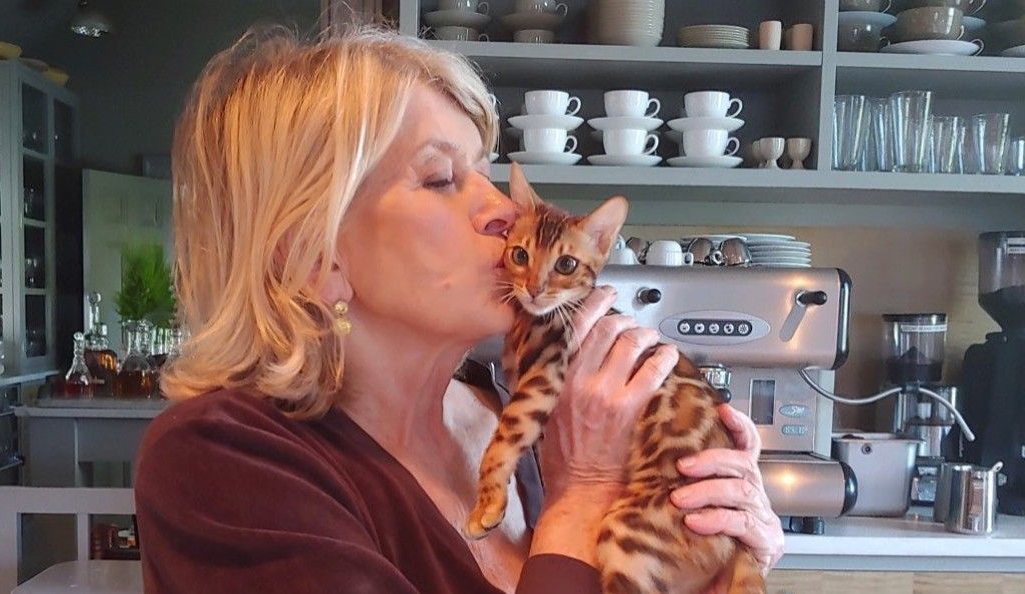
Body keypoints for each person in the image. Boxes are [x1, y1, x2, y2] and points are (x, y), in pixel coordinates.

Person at [134, 23, 784, 594]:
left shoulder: (508, 409)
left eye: (484, 171)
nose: (505, 211)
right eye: (442, 179)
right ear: (314, 255)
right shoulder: (222, 461)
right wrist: (581, 496)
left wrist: (710, 550)